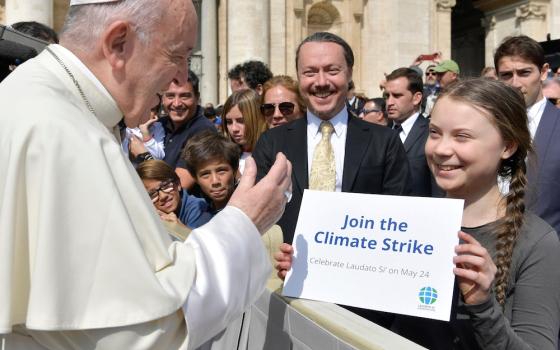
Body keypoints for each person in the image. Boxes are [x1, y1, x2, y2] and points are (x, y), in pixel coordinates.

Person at [0, 0, 292, 349]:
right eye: (177, 55)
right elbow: (142, 334)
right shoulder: (60, 131)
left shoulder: (50, 101)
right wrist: (244, 222)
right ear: (118, 43)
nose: (182, 78)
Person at [276, 78, 560, 349]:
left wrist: (482, 304)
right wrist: (313, 272)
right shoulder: (406, 222)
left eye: (462, 137)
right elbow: (371, 319)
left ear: (507, 146)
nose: (441, 149)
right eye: (434, 133)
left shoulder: (535, 243)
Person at [252, 31, 410, 245]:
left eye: (332, 70)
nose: (321, 82)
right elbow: (258, 215)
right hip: (287, 271)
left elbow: (400, 215)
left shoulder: (384, 142)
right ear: (299, 77)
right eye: (310, 72)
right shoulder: (271, 143)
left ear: (350, 73)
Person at [494, 35, 560, 236]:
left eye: (524, 73)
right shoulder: (485, 126)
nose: (515, 83)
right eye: (506, 75)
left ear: (544, 72)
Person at [384, 67, 442, 197]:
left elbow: (439, 188)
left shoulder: (432, 134)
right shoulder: (380, 134)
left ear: (416, 98)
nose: (389, 102)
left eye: (397, 96)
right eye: (387, 96)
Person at [137, 159, 212, 230]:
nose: (163, 196)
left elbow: (200, 243)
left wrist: (180, 230)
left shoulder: (199, 208)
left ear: (178, 184)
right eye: (152, 194)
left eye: (165, 186)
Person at [183, 131, 241, 215]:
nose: (215, 181)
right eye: (205, 174)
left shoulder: (250, 206)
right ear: (195, 178)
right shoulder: (200, 213)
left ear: (234, 170)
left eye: (221, 171)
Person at [222, 89, 267, 174]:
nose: (234, 129)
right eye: (229, 122)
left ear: (257, 118)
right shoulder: (225, 155)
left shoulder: (270, 155)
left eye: (241, 121)